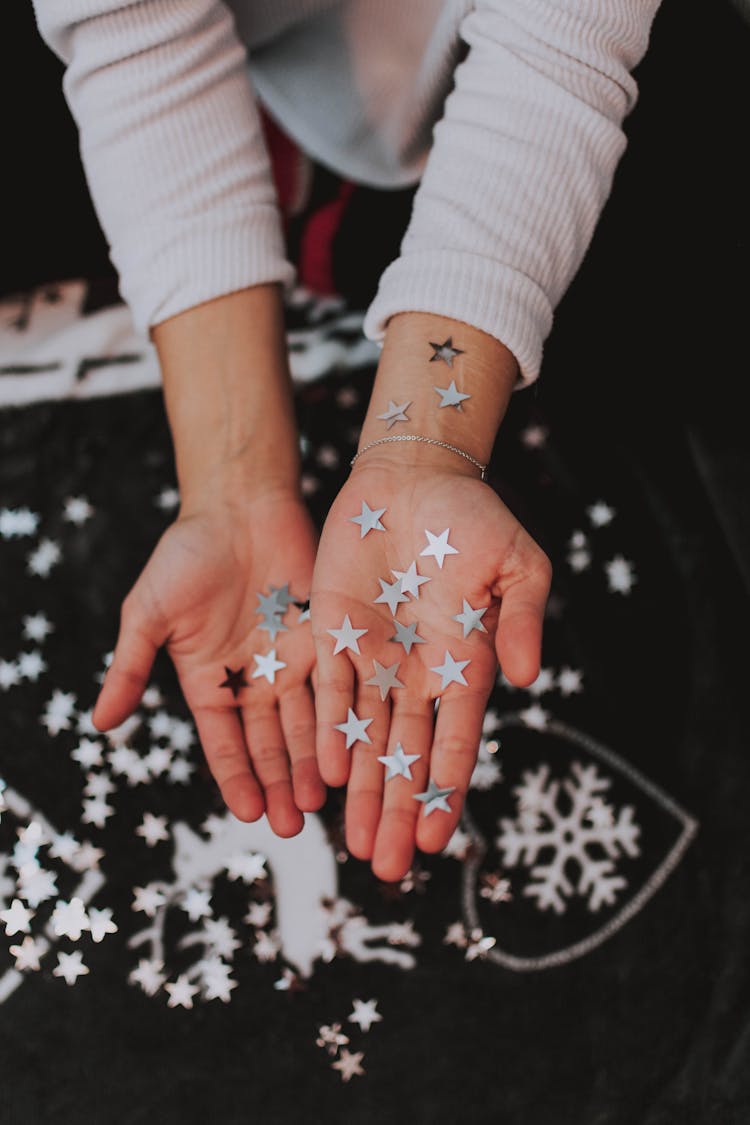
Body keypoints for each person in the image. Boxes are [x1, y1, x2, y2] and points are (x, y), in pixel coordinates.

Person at [30, 0, 662, 883]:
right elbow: (137, 36)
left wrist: (425, 448)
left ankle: (334, 206)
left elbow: (560, 45)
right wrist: (232, 482)